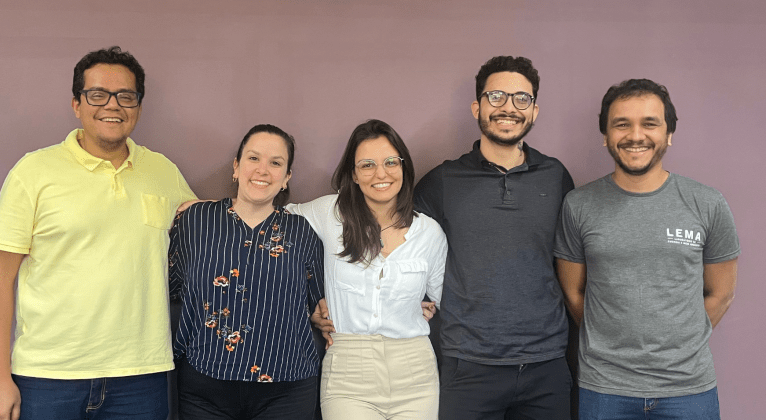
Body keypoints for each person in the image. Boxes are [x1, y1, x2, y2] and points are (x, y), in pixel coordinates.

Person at [0, 46, 196, 420]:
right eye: (97, 95)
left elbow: (216, 233)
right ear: (77, 104)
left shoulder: (163, 171)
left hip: (141, 376)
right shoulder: (33, 172)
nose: (112, 105)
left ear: (139, 107)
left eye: (126, 96)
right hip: (48, 376)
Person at [554, 79, 740, 419]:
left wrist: (681, 344)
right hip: (604, 387)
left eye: (649, 123)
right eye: (621, 124)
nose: (635, 135)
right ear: (606, 136)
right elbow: (574, 294)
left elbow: (722, 293)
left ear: (668, 133)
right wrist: (611, 341)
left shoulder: (708, 204)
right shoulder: (578, 205)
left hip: (688, 388)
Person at [414, 56, 574, 419]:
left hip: (546, 364)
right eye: (497, 96)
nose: (508, 108)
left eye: (522, 99)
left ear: (534, 111)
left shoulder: (556, 176)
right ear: (477, 107)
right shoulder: (442, 181)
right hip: (467, 365)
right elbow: (401, 249)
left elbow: (571, 259)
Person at [290, 119, 447, 419]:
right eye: (367, 165)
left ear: (404, 166)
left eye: (390, 162)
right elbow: (272, 219)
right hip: (348, 370)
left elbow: (444, 299)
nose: (381, 174)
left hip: (415, 370)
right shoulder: (330, 213)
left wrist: (417, 307)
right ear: (354, 174)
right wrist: (308, 303)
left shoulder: (430, 233)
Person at [170, 124, 326, 419]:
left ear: (286, 178)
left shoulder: (302, 231)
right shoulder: (195, 220)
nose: (263, 170)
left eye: (276, 163)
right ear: (236, 167)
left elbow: (323, 304)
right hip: (206, 384)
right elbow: (168, 286)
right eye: (254, 158)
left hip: (286, 388)